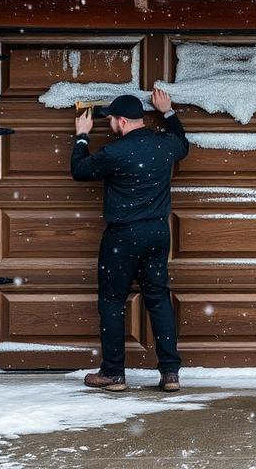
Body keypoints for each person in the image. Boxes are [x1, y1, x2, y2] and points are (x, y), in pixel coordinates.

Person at [71, 88, 188, 392]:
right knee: (158, 299)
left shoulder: (115, 152)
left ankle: (113, 374)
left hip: (123, 235)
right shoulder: (164, 145)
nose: (110, 125)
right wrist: (169, 111)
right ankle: (170, 373)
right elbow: (183, 145)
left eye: (110, 120)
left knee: (112, 301)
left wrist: (82, 136)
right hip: (158, 232)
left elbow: (79, 170)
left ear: (122, 121)